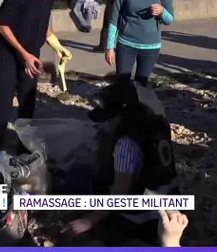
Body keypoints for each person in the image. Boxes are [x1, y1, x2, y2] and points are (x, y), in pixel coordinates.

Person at [62, 81, 180, 246]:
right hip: (169, 202)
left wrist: (88, 220)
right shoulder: (156, 123)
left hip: (142, 216)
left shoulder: (125, 144)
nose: (105, 123)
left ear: (122, 115)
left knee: (77, 178)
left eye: (109, 118)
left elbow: (120, 192)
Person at [0, 0, 73, 155]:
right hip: (8, 55)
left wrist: (58, 47)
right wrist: (24, 54)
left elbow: (43, 25)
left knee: (27, 105)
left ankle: (23, 149)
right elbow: (3, 25)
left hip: (30, 56)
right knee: (3, 106)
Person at [104, 0, 174, 87]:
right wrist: (109, 46)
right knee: (122, 85)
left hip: (151, 47)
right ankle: (122, 108)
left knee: (141, 86)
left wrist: (162, 12)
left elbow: (169, 19)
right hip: (126, 44)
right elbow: (115, 16)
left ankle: (138, 109)